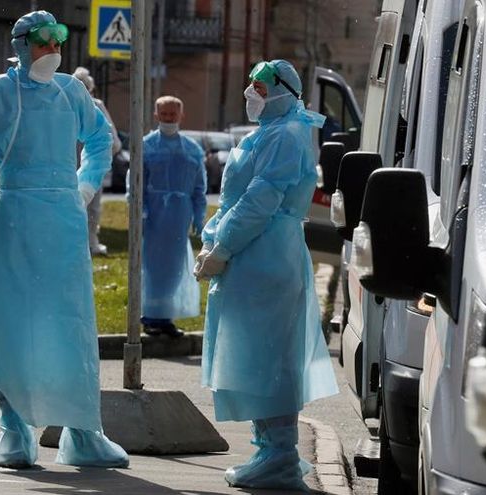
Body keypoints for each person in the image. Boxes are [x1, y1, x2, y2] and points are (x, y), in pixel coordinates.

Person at [0, 10, 128, 469]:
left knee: (71, 325)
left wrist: (85, 187)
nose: (53, 48)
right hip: (14, 220)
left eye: (59, 38)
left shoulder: (71, 92)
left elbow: (100, 138)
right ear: (19, 45)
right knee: (11, 323)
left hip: (64, 224)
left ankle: (83, 432)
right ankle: (13, 430)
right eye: (42, 39)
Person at [194, 59, 338, 491]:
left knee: (269, 358)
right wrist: (212, 238)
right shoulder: (269, 133)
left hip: (267, 257)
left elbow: (260, 201)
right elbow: (234, 198)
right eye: (251, 85)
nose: (250, 93)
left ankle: (280, 455)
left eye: (260, 87)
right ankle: (269, 451)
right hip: (254, 255)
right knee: (256, 356)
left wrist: (223, 246)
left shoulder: (287, 135)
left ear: (283, 92)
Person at [129, 96, 206, 338]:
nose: (169, 118)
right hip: (154, 215)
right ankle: (150, 315)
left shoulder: (192, 149)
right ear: (156, 115)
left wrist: (199, 215)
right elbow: (136, 183)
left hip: (179, 215)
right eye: (164, 114)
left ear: (181, 115)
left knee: (174, 267)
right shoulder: (146, 146)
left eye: (173, 114)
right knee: (153, 266)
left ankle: (166, 316)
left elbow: (199, 187)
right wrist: (139, 211)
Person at [72, 66, 122, 256]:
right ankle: (88, 242)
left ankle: (88, 241)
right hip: (83, 166)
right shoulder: (91, 106)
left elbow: (112, 140)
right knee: (89, 206)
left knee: (87, 206)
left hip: (83, 166)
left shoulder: (87, 106)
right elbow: (113, 141)